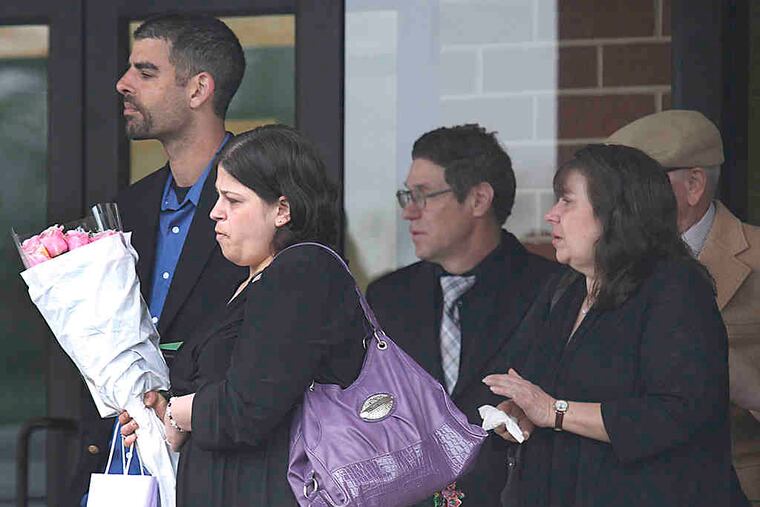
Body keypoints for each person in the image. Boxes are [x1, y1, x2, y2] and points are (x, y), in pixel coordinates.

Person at [483, 144, 748, 506]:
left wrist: (554, 412)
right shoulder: (565, 288)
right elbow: (537, 388)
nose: (551, 215)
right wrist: (521, 413)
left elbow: (679, 412)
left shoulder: (676, 288)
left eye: (566, 201)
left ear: (614, 213)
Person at [120, 124, 367, 506]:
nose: (215, 213)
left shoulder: (302, 272)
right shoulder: (256, 279)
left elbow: (247, 408)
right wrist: (168, 417)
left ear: (282, 210)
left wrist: (178, 412)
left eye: (232, 200)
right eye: (217, 197)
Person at [69, 14, 248, 505]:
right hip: (116, 466)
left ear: (198, 90)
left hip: (218, 471)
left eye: (145, 73)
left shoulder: (264, 204)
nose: (122, 84)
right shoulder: (130, 206)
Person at [365, 124, 559, 506]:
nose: (408, 211)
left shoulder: (553, 292)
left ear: (478, 199)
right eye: (407, 195)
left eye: (423, 195)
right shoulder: (387, 297)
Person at [606, 109, 760, 503]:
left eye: (635, 183)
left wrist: (748, 387)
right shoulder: (603, 267)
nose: (616, 200)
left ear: (693, 185)